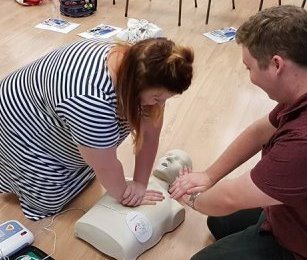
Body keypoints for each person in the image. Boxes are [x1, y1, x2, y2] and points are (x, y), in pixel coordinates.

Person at [170, 5, 307, 260]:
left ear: (276, 64)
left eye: (249, 68)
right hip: (304, 202)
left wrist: (184, 195)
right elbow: (262, 130)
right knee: (219, 221)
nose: (250, 77)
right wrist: (208, 175)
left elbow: (229, 198)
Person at [0, 37, 194, 221]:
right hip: (16, 124)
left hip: (49, 105)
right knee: (51, 201)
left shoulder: (140, 63)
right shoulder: (90, 100)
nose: (160, 104)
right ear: (137, 83)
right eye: (157, 98)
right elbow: (105, 166)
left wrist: (140, 183)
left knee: (92, 165)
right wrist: (125, 194)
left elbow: (150, 133)